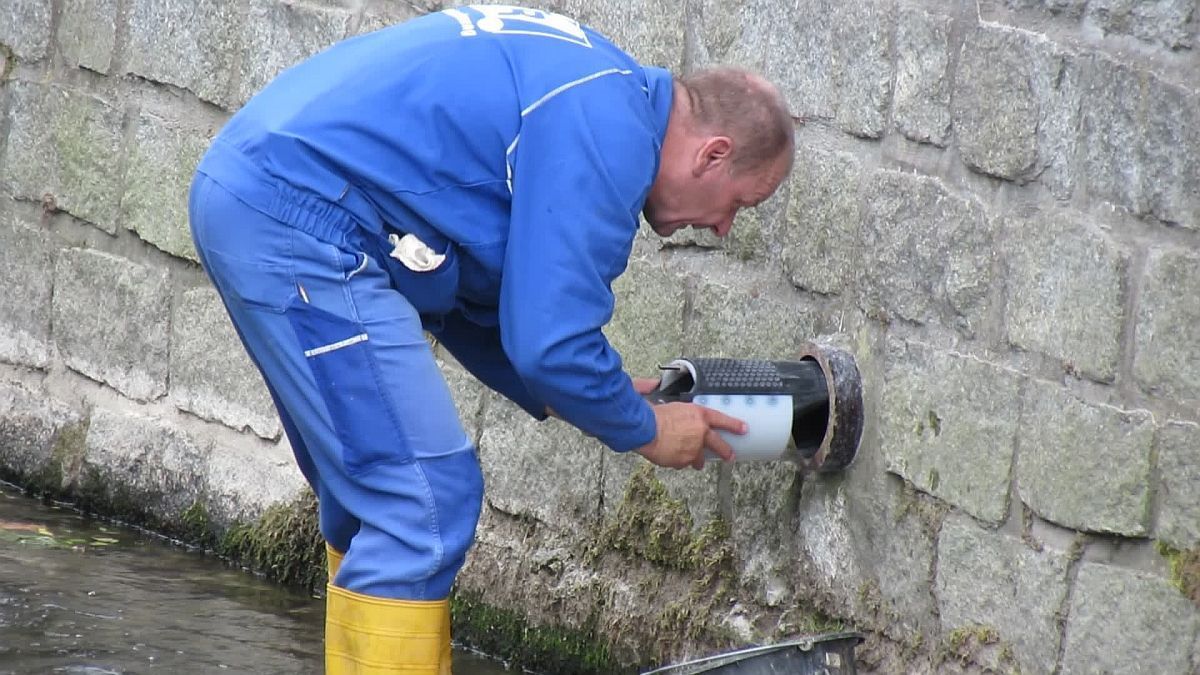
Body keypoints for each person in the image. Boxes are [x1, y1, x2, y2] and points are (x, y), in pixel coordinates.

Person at [187, 5, 794, 673]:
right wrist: (648, 429)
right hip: (301, 219)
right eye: (739, 204)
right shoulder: (611, 130)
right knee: (421, 500)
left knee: (368, 499)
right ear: (713, 154)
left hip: (254, 191)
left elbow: (477, 305)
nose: (725, 229)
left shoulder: (592, 84)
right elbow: (552, 344)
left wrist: (589, 396)